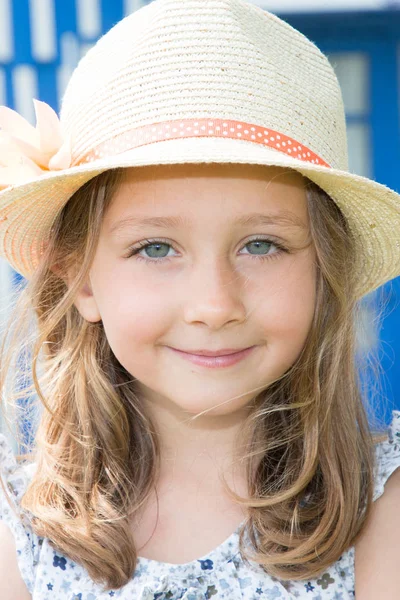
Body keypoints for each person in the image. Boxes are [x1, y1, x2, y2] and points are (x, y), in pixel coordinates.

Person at [0, 0, 400, 598]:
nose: (214, 305)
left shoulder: (382, 516)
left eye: (260, 244)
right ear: (81, 279)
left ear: (324, 270)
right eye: (157, 249)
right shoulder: (21, 533)